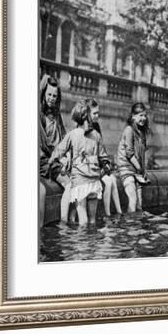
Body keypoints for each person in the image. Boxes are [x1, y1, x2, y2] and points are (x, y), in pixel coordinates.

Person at [47, 100, 110, 226]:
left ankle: (80, 245)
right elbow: (103, 156)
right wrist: (106, 166)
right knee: (92, 221)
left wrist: (51, 162)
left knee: (83, 220)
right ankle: (92, 244)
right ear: (87, 116)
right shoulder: (96, 135)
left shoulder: (72, 135)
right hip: (94, 181)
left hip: (80, 182)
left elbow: (59, 151)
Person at [38, 75, 69, 226]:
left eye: (54, 96)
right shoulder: (39, 115)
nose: (51, 98)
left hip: (59, 158)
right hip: (47, 160)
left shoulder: (57, 116)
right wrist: (59, 157)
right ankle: (64, 222)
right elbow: (45, 144)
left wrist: (68, 155)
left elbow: (64, 138)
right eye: (49, 94)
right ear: (43, 94)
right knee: (69, 184)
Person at [86, 98, 123, 216]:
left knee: (113, 179)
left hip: (97, 166)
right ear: (87, 113)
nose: (97, 116)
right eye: (94, 113)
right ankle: (107, 215)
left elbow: (100, 150)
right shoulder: (83, 129)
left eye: (98, 113)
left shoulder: (96, 126)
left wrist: (106, 164)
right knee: (108, 182)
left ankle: (119, 212)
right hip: (88, 169)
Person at [117, 102, 150, 212]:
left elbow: (142, 154)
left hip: (137, 171)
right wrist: (140, 169)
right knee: (133, 199)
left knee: (139, 205)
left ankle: (137, 227)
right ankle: (130, 226)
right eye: (140, 115)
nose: (143, 118)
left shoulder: (142, 133)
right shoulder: (129, 130)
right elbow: (129, 153)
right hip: (127, 170)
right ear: (133, 116)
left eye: (145, 115)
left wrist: (144, 171)